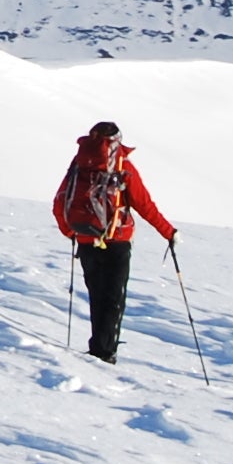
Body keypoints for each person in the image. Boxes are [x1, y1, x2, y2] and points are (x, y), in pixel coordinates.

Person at [51, 119, 177, 364]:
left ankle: (99, 347)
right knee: (114, 299)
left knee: (97, 296)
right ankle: (105, 353)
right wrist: (169, 232)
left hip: (87, 239)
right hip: (116, 239)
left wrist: (72, 232)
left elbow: (60, 201)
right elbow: (144, 205)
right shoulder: (122, 166)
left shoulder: (79, 164)